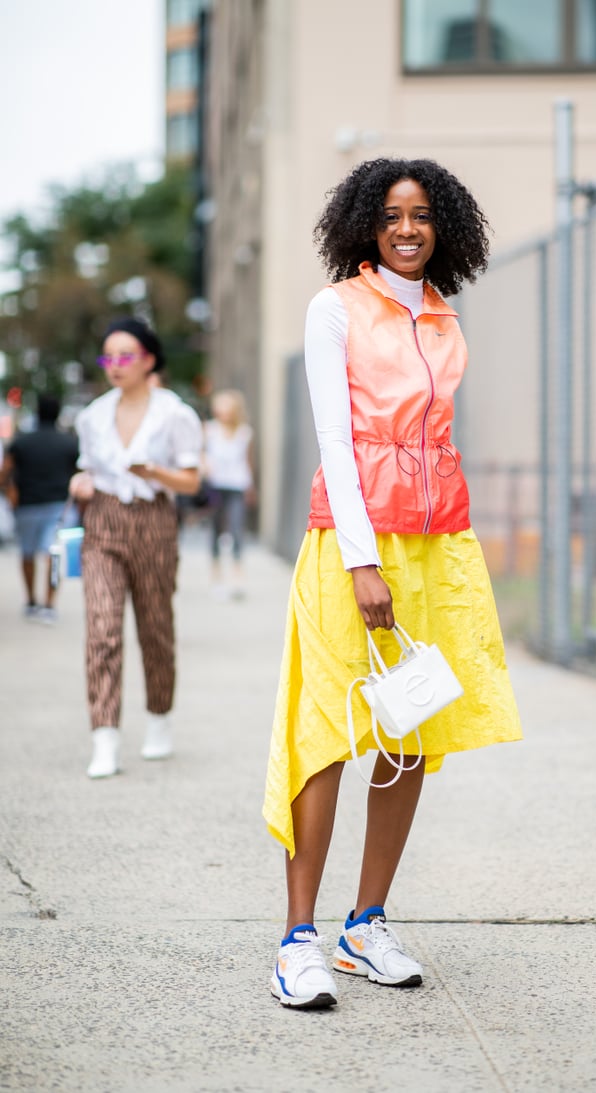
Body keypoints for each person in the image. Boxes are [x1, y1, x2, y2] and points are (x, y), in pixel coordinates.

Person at [263, 158, 523, 1010]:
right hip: (353, 540)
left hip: (438, 540)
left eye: (420, 215)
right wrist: (363, 559)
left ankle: (364, 924)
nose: (406, 229)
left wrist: (433, 551)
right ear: (364, 227)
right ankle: (297, 937)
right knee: (327, 731)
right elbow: (337, 442)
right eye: (390, 216)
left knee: (408, 729)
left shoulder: (445, 318)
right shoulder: (334, 308)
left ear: (441, 224)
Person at [69, 317, 203, 779]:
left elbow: (191, 479)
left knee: (154, 626)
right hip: (103, 521)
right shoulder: (92, 415)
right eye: (109, 357)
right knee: (102, 630)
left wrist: (155, 473)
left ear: (148, 360)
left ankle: (159, 717)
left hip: (154, 520)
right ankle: (104, 736)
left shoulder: (175, 413)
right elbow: (87, 469)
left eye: (125, 356)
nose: (115, 365)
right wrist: (79, 483)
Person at [0, 393, 79, 623]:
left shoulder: (22, 441)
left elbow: (5, 472)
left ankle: (31, 600)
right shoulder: (69, 442)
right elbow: (79, 473)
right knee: (53, 555)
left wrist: (9, 492)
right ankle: (49, 604)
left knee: (27, 554)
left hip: (27, 505)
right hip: (59, 506)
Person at [203, 388, 255, 599]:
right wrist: (204, 464)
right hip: (216, 485)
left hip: (237, 485)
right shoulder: (209, 430)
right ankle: (216, 578)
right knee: (216, 530)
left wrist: (251, 487)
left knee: (236, 529)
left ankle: (236, 576)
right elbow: (201, 454)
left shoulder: (245, 432)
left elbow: (248, 461)